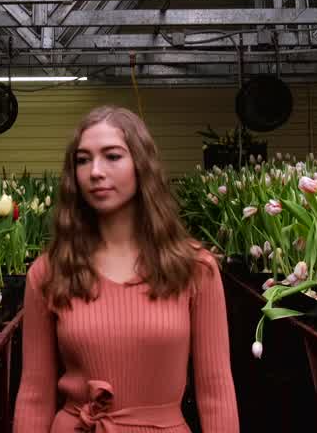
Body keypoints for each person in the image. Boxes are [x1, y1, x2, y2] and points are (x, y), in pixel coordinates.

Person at [13, 106, 240, 433]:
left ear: (141, 165)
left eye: (112, 156)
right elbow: (34, 394)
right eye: (83, 160)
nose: (95, 171)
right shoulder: (50, 272)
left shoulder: (193, 268)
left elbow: (216, 390)